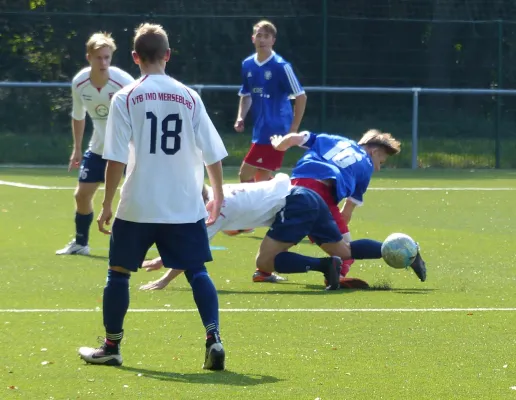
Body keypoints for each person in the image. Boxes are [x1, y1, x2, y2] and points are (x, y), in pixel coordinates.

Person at [78, 23, 228, 371]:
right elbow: (213, 154)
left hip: (139, 205)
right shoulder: (190, 96)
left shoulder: (126, 96)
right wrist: (218, 195)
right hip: (183, 204)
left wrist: (106, 203)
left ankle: (112, 346)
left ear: (134, 57)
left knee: (118, 274)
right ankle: (213, 338)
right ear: (168, 55)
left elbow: (115, 158)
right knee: (197, 272)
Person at [139, 173, 424, 291]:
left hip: (293, 205)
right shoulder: (219, 192)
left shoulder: (213, 212)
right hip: (306, 196)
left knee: (264, 262)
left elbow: (191, 251)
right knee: (345, 250)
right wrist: (164, 259)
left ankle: (325, 265)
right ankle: (409, 252)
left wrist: (164, 278)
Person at [268, 129, 427, 284]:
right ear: (374, 151)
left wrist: (279, 146)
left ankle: (263, 271)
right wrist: (328, 228)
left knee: (274, 247)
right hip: (320, 195)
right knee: (347, 252)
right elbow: (346, 212)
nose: (378, 168)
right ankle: (340, 273)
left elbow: (294, 139)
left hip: (292, 189)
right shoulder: (366, 166)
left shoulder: (334, 139)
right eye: (381, 162)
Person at [56, 32, 135, 256]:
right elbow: (78, 115)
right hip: (99, 149)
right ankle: (81, 243)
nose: (103, 62)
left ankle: (139, 243)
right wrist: (77, 149)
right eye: (99, 57)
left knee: (135, 198)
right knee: (81, 195)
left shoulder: (124, 82)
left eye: (107, 57)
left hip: (128, 150)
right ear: (88, 57)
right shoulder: (80, 82)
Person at [235, 20, 307, 183]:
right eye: (259, 35)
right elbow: (246, 94)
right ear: (253, 38)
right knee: (261, 178)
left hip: (276, 129)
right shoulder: (248, 65)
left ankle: (270, 201)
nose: (262, 40)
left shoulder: (281, 66)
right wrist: (241, 117)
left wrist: (293, 128)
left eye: (266, 36)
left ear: (273, 40)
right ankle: (282, 198)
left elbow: (301, 96)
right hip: (260, 129)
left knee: (245, 175)